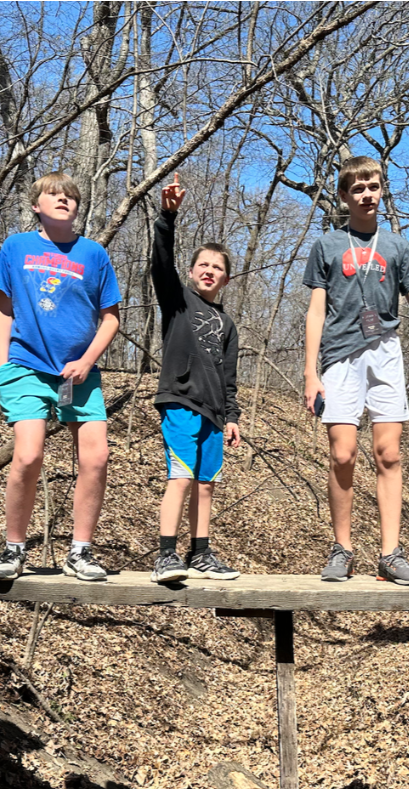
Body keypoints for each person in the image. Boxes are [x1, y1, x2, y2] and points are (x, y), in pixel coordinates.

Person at [302, 156, 409, 586]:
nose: (366, 194)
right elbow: (316, 310)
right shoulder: (327, 246)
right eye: (357, 189)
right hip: (340, 356)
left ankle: (391, 553)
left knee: (389, 454)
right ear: (344, 195)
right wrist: (309, 372)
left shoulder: (397, 246)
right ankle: (342, 548)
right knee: (342, 453)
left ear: (381, 190)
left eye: (373, 186)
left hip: (386, 352)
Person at [0, 173, 121, 582]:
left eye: (71, 197)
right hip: (26, 366)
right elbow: (3, 309)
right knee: (28, 454)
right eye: (54, 195)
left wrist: (87, 360)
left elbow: (110, 318)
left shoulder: (93, 254)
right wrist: (2, 364)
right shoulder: (17, 247)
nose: (64, 200)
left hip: (78, 373)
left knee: (96, 456)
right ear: (36, 205)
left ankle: (80, 552)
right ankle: (13, 549)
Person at [149, 174, 243, 584]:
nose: (209, 270)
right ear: (191, 272)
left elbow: (230, 377)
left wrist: (233, 416)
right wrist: (168, 216)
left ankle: (200, 553)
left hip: (214, 413)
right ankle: (166, 555)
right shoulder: (178, 300)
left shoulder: (227, 323)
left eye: (217, 267)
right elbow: (160, 262)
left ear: (225, 278)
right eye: (203, 264)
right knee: (182, 477)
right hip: (181, 402)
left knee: (206, 484)